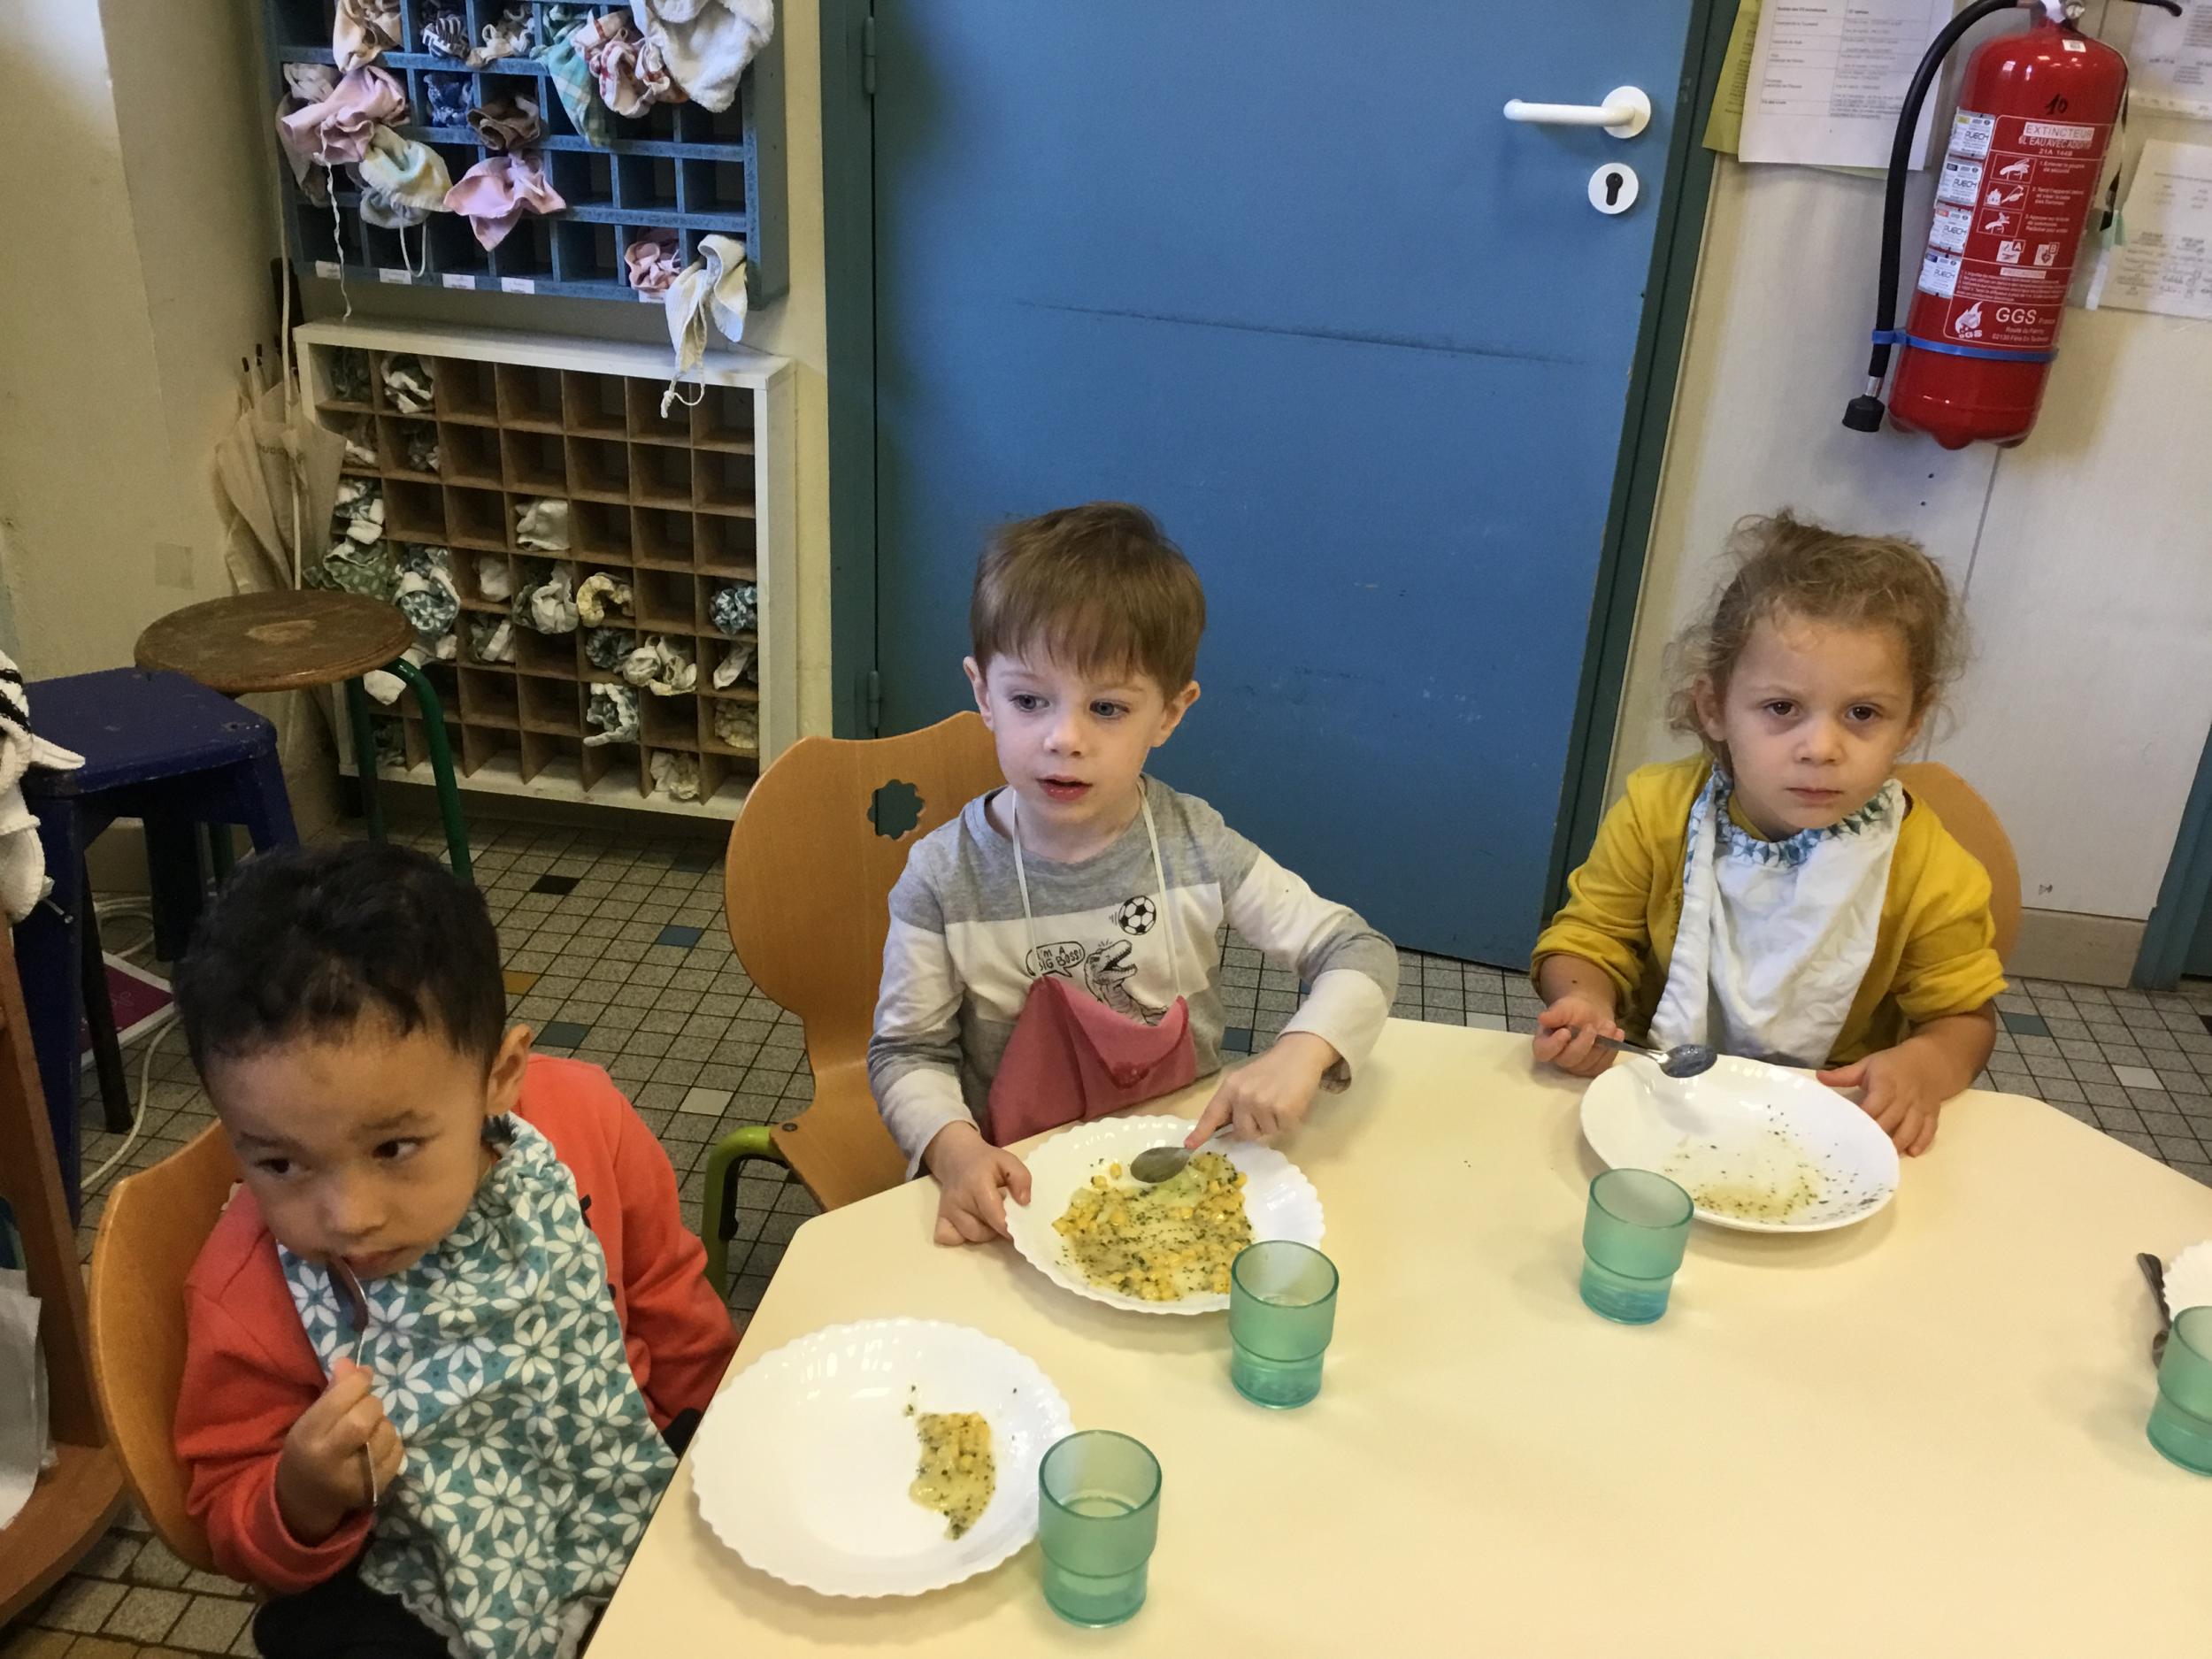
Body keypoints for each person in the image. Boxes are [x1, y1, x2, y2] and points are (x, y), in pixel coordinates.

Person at [170, 841, 736, 1659]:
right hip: (414, 1572)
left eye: (394, 1147)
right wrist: (298, 1494)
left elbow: (669, 1303)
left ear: (499, 1077)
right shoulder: (245, 1292)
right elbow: (225, 1516)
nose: (350, 1218)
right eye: (280, 1163)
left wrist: (724, 1433)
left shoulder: (586, 1123)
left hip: (623, 1478)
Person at [869, 503, 1399, 1245]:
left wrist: (1302, 1050)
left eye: (1108, 707)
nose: (1064, 738)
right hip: (1022, 1181)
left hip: (1180, 1164)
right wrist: (954, 1151)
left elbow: (1359, 951)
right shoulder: (943, 879)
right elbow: (907, 1052)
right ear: (984, 693)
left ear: (1171, 713)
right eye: (1029, 700)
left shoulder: (1196, 847)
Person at [1531, 512, 2003, 1155]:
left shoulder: (1931, 869)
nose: (1822, 747)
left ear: (1912, 721)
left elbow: (1964, 1018)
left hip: (1832, 1117)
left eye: (1863, 713)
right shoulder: (1656, 811)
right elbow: (1589, 939)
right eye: (1782, 708)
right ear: (1714, 708)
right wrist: (1587, 1004)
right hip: (1654, 1092)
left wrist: (1924, 1065)